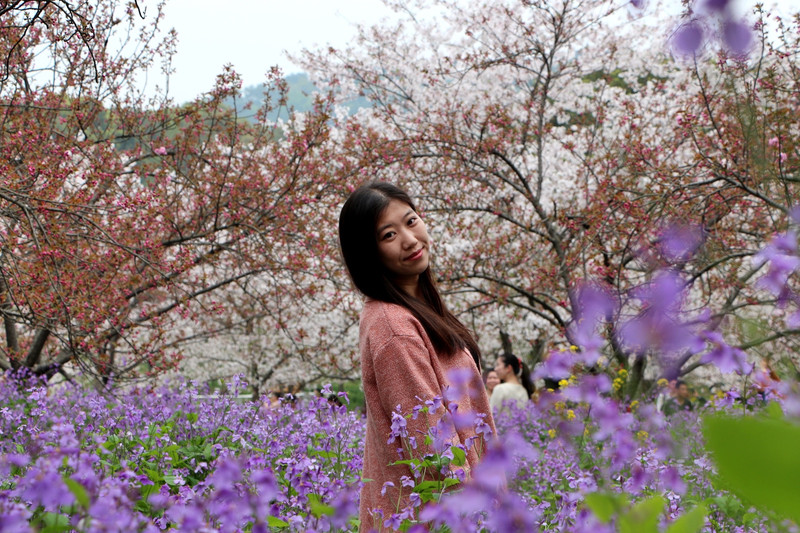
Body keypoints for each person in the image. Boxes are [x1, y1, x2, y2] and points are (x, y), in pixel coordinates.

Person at [338, 182, 496, 531]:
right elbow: (433, 448)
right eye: (389, 235)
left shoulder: (415, 311)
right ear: (368, 252)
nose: (409, 239)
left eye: (411, 221)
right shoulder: (394, 327)